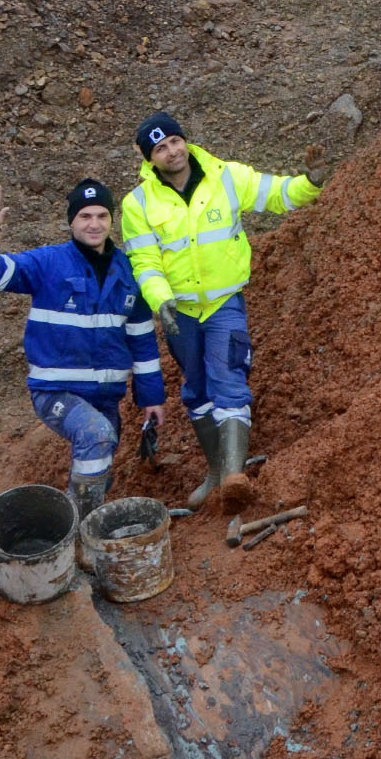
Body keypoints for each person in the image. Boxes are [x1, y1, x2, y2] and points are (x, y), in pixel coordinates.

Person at [119, 113, 324, 513]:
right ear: (150, 159)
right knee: (197, 389)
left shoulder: (225, 176)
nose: (171, 151)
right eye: (160, 148)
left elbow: (276, 194)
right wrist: (161, 300)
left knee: (229, 377)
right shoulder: (138, 203)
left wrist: (310, 183)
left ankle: (234, 476)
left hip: (224, 304)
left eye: (175, 141)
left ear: (185, 141)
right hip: (180, 313)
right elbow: (145, 262)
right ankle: (215, 472)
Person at [0, 178, 165, 524]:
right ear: (71, 221)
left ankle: (77, 522)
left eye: (102, 215)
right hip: (55, 391)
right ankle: (78, 536)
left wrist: (152, 398)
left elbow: (142, 341)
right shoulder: (49, 263)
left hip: (106, 395)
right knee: (95, 435)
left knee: (101, 458)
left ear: (111, 220)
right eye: (85, 216)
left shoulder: (130, 272)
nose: (94, 223)